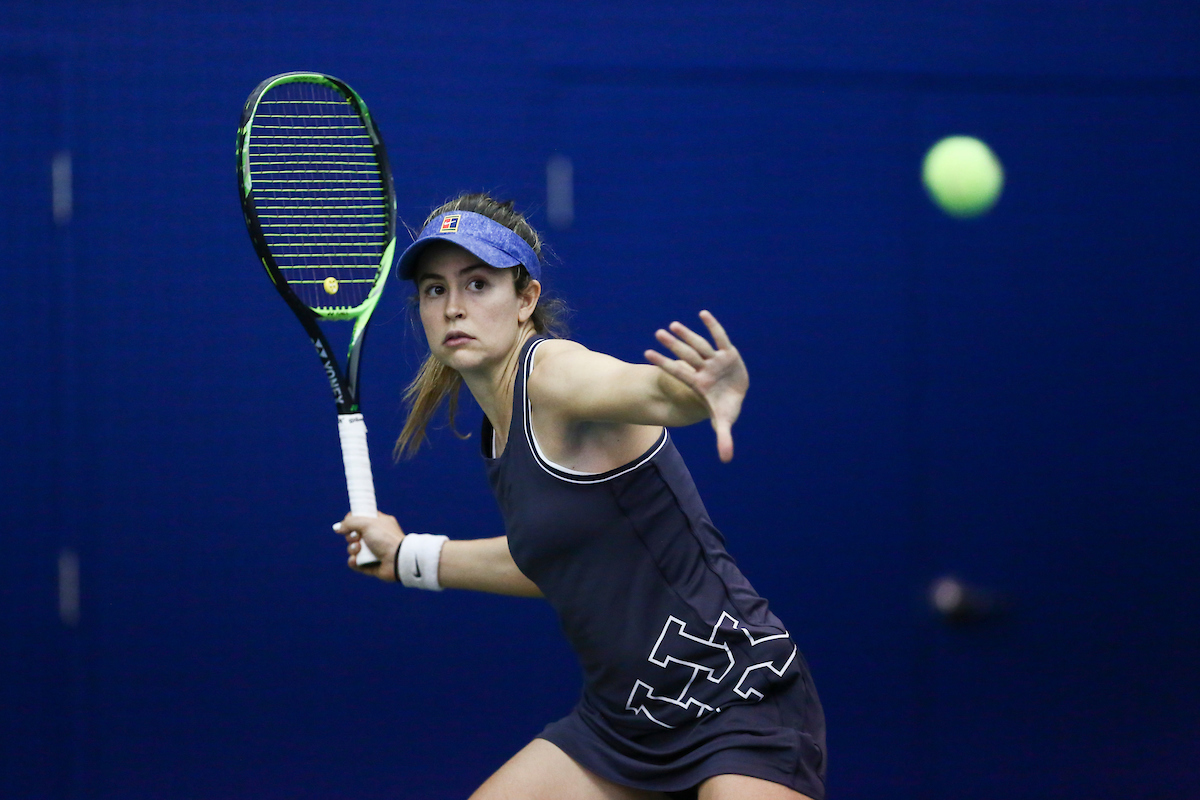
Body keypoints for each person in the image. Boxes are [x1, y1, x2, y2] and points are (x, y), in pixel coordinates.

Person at [334, 194, 826, 800]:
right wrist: (410, 556)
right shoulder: (498, 424)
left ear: (526, 300)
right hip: (622, 723)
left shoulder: (551, 375)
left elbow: (636, 387)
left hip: (735, 696)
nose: (454, 307)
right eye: (435, 290)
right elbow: (551, 560)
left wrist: (698, 393)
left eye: (478, 284)